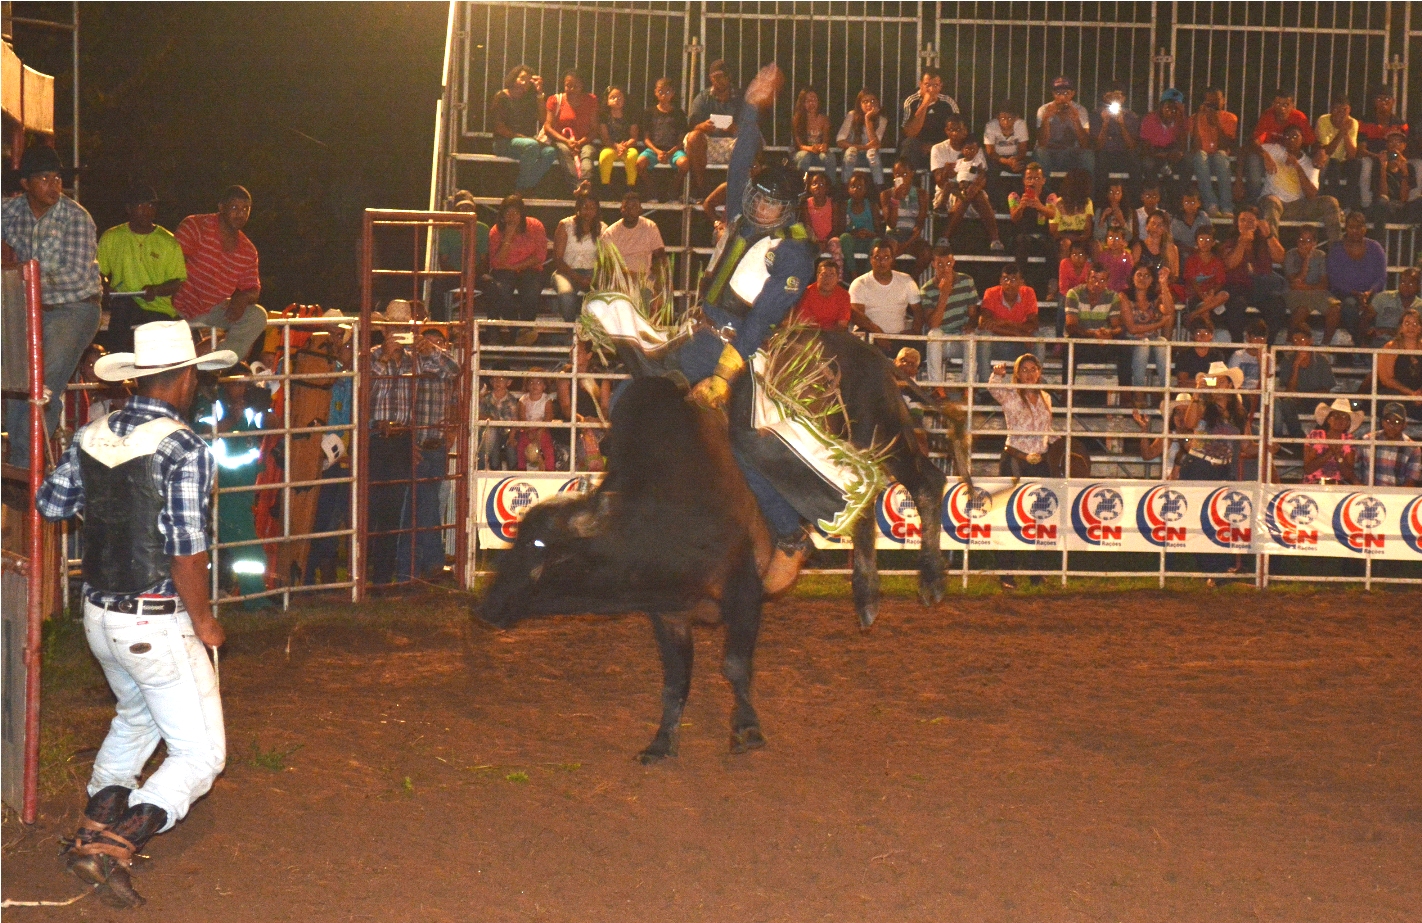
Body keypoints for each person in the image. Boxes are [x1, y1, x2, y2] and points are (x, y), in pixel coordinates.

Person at [37, 319, 235, 908]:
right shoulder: (183, 446)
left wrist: (108, 502)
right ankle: (113, 844)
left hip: (99, 611)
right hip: (153, 618)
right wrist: (204, 620)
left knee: (137, 716)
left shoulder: (92, 433)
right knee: (200, 754)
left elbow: (52, 503)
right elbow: (186, 548)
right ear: (185, 376)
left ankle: (93, 826)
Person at [2, 145, 103, 465]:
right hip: (33, 309)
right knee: (19, 381)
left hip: (75, 308)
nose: (54, 185)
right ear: (26, 184)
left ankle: (25, 464)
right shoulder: (11, 211)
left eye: (57, 178)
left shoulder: (76, 217)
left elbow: (75, 276)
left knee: (43, 381)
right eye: (45, 178)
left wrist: (20, 280)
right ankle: (24, 462)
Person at [987, 354, 1059, 589]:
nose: (1029, 374)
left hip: (1040, 459)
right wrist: (997, 374)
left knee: (1041, 515)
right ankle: (1006, 571)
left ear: (1039, 372)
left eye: (1033, 369)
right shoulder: (1010, 394)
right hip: (1015, 458)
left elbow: (1046, 428)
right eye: (1024, 370)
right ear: (1017, 374)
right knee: (1008, 514)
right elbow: (993, 388)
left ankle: (1036, 570)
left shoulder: (1046, 397)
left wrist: (1062, 442)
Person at [171, 185, 268, 361]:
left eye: (245, 209)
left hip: (213, 308)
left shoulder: (248, 250)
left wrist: (242, 297)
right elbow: (171, 266)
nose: (240, 214)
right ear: (221, 207)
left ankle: (218, 362)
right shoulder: (196, 226)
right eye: (234, 207)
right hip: (177, 305)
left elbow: (253, 289)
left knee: (257, 316)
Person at [396, 327, 462, 582]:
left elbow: (455, 372)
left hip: (435, 445)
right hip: (416, 444)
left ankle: (411, 567)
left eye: (439, 342)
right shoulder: (412, 363)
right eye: (429, 341)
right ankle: (429, 562)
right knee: (423, 503)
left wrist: (451, 431)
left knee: (423, 503)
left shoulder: (444, 366)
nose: (434, 346)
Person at [96, 184, 187, 354]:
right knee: (122, 307)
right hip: (122, 305)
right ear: (129, 209)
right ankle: (117, 359)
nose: (147, 210)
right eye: (141, 205)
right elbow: (98, 271)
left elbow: (177, 282)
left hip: (157, 308)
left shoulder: (168, 241)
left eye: (151, 205)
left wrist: (156, 290)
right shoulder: (112, 236)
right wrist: (105, 286)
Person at [1179, 365, 1247, 585]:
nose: (1217, 384)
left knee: (1219, 519)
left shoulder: (1238, 413)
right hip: (1200, 464)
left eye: (1221, 380)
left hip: (1220, 468)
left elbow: (1246, 445)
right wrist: (1197, 394)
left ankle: (1218, 569)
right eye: (1213, 380)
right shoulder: (1204, 406)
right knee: (1201, 518)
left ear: (1230, 384)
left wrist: (1266, 446)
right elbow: (1189, 423)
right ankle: (1214, 570)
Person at [1257, 126, 1343, 242]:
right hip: (1275, 202)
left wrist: (1297, 167)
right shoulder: (1274, 150)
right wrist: (1265, 155)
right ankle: (1272, 248)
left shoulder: (1309, 163)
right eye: (1287, 137)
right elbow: (1251, 144)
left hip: (1298, 206)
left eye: (1295, 136)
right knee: (1272, 201)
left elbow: (1311, 195)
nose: (1291, 140)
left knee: (1331, 202)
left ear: (1302, 139)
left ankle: (1337, 248)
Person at [487, 194, 548, 344]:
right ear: (502, 216)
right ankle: (517, 330)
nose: (512, 216)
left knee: (531, 290)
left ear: (522, 214)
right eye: (508, 213)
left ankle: (526, 328)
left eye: (515, 212)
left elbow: (540, 256)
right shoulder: (496, 231)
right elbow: (496, 262)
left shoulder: (535, 226)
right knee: (500, 290)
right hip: (504, 270)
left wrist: (516, 267)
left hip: (530, 268)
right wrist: (508, 236)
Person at [1062, 262, 1128, 400]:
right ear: (1087, 278)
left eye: (1102, 280)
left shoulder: (1112, 297)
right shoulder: (1074, 294)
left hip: (1101, 343)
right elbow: (1071, 326)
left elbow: (1117, 326)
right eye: (1094, 279)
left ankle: (1126, 396)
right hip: (1081, 343)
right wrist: (1093, 334)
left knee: (1124, 345)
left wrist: (1109, 333)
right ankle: (1065, 395)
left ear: (1107, 282)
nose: (1097, 284)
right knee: (1069, 346)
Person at [1221, 207, 1286, 342]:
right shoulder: (1230, 242)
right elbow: (1230, 264)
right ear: (1237, 223)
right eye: (1242, 220)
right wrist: (1241, 243)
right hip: (1238, 287)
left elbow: (1281, 258)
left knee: (1277, 303)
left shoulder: (1264, 241)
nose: (1246, 224)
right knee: (1236, 304)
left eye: (1251, 221)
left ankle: (1268, 345)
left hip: (1262, 288)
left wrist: (1269, 235)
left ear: (1258, 223)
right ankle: (1237, 344)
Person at [490, 64, 558, 193]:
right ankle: (523, 190)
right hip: (504, 142)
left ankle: (523, 186)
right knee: (532, 145)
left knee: (550, 152)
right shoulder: (501, 96)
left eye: (528, 81)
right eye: (521, 78)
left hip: (527, 143)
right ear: (513, 78)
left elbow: (543, 119)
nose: (524, 83)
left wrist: (539, 93)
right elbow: (499, 127)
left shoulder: (529, 99)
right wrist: (519, 137)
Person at [1325, 210, 1387, 349]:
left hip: (1370, 293)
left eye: (1359, 227)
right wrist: (1354, 293)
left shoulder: (1375, 248)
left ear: (1365, 228)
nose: (1355, 231)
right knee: (1348, 307)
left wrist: (1369, 292)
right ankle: (1361, 344)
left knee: (1376, 306)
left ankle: (1370, 344)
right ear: (1345, 228)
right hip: (1344, 293)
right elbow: (1334, 279)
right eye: (1351, 227)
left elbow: (1381, 277)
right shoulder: (1336, 249)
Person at [848, 239, 922, 355]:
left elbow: (918, 311)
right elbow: (856, 315)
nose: (881, 262)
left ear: (892, 259)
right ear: (871, 259)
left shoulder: (906, 280)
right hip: (870, 337)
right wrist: (877, 333)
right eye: (877, 258)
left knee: (918, 349)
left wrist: (915, 331)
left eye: (886, 258)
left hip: (897, 338)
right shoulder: (859, 283)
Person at [920, 244, 979, 384]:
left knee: (971, 336)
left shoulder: (967, 281)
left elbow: (973, 315)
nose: (945, 268)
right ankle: (937, 386)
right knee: (934, 334)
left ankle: (967, 386)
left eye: (948, 263)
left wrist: (970, 325)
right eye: (940, 264)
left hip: (960, 337)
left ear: (953, 262)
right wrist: (944, 294)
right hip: (941, 339)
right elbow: (933, 324)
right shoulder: (927, 289)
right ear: (933, 264)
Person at [1246, 89, 1314, 205]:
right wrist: (1265, 156)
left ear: (1292, 105)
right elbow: (1254, 142)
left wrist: (1320, 153)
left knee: (1320, 161)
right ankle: (1253, 203)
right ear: (1273, 104)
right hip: (1272, 154)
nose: (1282, 108)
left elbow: (1311, 141)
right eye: (1278, 104)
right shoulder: (1268, 115)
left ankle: (1313, 199)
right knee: (1253, 159)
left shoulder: (1299, 118)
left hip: (1293, 155)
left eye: (1286, 105)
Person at [936, 133, 1003, 250]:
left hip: (974, 191)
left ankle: (995, 240)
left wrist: (974, 186)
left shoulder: (979, 162)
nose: (970, 151)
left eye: (973, 149)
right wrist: (947, 170)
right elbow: (948, 180)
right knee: (963, 194)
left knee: (977, 194)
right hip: (959, 192)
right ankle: (945, 236)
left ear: (977, 150)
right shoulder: (959, 162)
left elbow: (982, 176)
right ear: (962, 149)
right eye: (967, 149)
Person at [975, 262, 1040, 383]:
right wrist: (1017, 333)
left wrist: (1006, 323)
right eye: (1005, 279)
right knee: (984, 336)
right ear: (1000, 281)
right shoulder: (991, 293)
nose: (1009, 283)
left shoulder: (1028, 293)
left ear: (1021, 282)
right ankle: (984, 386)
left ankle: (1036, 383)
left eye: (1014, 279)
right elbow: (984, 323)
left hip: (1021, 345)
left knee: (1038, 338)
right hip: (997, 344)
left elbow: (1033, 325)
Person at [685, 59, 740, 195]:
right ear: (710, 78)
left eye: (722, 76)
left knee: (752, 138)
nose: (719, 80)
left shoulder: (740, 97)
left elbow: (751, 125)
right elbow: (692, 125)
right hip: (709, 144)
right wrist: (703, 126)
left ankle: (741, 191)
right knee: (693, 137)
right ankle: (701, 189)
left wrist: (736, 128)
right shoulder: (703, 97)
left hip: (733, 143)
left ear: (729, 77)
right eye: (715, 77)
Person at [1273, 325, 1336, 441]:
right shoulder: (1287, 360)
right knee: (1286, 402)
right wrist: (1296, 366)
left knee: (1330, 404)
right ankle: (1298, 437)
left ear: (1310, 341)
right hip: (1297, 401)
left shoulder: (1321, 360)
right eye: (1295, 340)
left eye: (1302, 339)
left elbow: (1326, 389)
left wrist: (1306, 395)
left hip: (1316, 400)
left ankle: (1318, 437)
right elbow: (1289, 391)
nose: (1298, 344)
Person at [552, 191, 608, 322]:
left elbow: (603, 260)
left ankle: (592, 330)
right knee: (566, 295)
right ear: (578, 208)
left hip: (592, 273)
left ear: (597, 210)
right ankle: (571, 329)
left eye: (592, 208)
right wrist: (578, 277)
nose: (588, 212)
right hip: (566, 272)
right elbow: (558, 260)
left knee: (601, 296)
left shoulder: (602, 228)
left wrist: (594, 278)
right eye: (585, 207)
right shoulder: (565, 225)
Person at [434, 191, 490, 322]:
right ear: (455, 210)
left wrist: (471, 275)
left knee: (492, 285)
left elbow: (484, 260)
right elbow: (443, 262)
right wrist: (461, 276)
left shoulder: (482, 229)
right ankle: (439, 326)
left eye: (469, 207)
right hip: (454, 274)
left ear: (474, 210)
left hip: (476, 274)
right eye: (461, 207)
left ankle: (492, 328)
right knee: (436, 285)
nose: (465, 211)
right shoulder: (446, 230)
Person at [1357, 87, 1414, 209]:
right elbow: (1361, 150)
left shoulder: (1401, 124)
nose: (1383, 102)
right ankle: (1366, 204)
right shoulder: (1365, 122)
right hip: (1373, 157)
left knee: (1417, 165)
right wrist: (1378, 157)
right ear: (1374, 101)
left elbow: (1406, 147)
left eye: (1387, 99)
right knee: (1366, 164)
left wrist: (1401, 159)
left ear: (1393, 101)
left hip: (1395, 158)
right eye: (1379, 99)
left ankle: (1412, 202)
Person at [1008, 162, 1058, 297]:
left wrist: (1039, 206)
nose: (1032, 181)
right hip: (1022, 234)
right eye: (1029, 178)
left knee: (1052, 245)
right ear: (1024, 180)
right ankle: (1020, 280)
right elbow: (1014, 218)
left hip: (1043, 235)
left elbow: (1052, 214)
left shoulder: (1050, 196)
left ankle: (1052, 283)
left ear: (1043, 180)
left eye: (1036, 178)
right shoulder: (1015, 195)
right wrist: (1021, 206)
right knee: (1021, 242)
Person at [637, 77, 690, 199]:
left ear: (673, 93)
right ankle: (652, 190)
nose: (664, 95)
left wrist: (670, 153)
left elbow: (681, 140)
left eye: (667, 91)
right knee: (640, 163)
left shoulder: (679, 114)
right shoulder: (649, 112)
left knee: (684, 163)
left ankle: (674, 189)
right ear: (655, 92)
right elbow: (646, 139)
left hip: (673, 150)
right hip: (654, 150)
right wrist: (658, 152)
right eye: (660, 91)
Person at [1188, 87, 1238, 218]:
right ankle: (1211, 204)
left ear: (1223, 101)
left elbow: (1225, 146)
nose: (1213, 105)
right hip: (1202, 161)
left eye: (1216, 101)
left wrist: (1217, 123)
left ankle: (1226, 206)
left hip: (1220, 161)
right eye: (1209, 102)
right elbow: (1195, 147)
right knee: (1200, 155)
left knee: (1220, 155)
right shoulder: (1194, 118)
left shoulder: (1230, 118)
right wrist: (1199, 118)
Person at [1035, 76, 1093, 186]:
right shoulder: (1044, 109)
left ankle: (1087, 195)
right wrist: (1046, 119)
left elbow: (1085, 144)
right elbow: (1042, 143)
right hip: (1050, 154)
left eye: (1066, 93)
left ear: (1072, 93)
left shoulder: (1080, 110)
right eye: (1058, 93)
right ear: (1053, 94)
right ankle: (1044, 193)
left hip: (1071, 154)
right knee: (1041, 152)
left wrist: (1076, 120)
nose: (1062, 97)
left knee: (1087, 155)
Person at [900, 67, 960, 171]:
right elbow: (910, 133)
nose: (931, 90)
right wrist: (925, 103)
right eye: (927, 85)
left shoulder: (948, 102)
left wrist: (935, 147)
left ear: (941, 86)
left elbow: (958, 131)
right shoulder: (911, 101)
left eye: (935, 85)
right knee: (909, 144)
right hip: (917, 147)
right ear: (920, 84)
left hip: (940, 146)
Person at [544, 71, 599, 183]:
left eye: (576, 86)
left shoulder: (591, 100)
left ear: (582, 86)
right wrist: (567, 141)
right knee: (564, 152)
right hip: (562, 141)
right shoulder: (555, 100)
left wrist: (581, 142)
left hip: (584, 141)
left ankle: (585, 182)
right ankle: (577, 186)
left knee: (587, 153)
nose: (572, 89)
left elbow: (595, 128)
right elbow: (547, 126)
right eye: (568, 86)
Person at [1090, 82, 1141, 202]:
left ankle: (1135, 203)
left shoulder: (1131, 116)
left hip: (1124, 155)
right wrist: (1105, 123)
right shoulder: (1096, 114)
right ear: (1105, 98)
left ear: (1123, 99)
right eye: (1111, 97)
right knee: (1099, 161)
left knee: (1135, 161)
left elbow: (1132, 146)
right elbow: (1098, 146)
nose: (1114, 100)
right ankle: (1099, 204)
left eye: (1118, 97)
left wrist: (1122, 125)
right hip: (1105, 154)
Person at [1366, 128, 1422, 235]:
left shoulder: (1409, 167)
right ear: (1386, 145)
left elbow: (1403, 198)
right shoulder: (1377, 165)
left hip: (1401, 208)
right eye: (1391, 142)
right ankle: (1380, 239)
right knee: (1383, 201)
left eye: (1399, 142)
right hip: (1383, 207)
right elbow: (1383, 194)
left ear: (1404, 146)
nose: (1395, 146)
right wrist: (1383, 169)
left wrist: (1404, 172)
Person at [1281, 226, 1337, 332]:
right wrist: (1306, 261)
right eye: (1301, 240)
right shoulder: (1290, 255)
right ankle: (1289, 338)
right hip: (1295, 293)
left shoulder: (1321, 256)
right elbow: (1294, 284)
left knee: (1335, 309)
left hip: (1317, 292)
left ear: (1315, 243)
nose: (1304, 244)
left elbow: (1324, 284)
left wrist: (1306, 287)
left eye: (1308, 241)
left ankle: (1325, 342)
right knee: (1302, 310)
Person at [880, 157, 930, 274]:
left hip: (912, 236)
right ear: (893, 175)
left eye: (905, 174)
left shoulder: (921, 194)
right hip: (893, 235)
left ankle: (911, 280)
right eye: (898, 174)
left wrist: (906, 245)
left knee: (926, 253)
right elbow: (891, 224)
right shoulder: (886, 194)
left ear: (912, 174)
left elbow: (920, 225)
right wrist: (895, 200)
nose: (901, 178)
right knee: (887, 255)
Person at [1138, 88, 1189, 200]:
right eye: (1168, 107)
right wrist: (1165, 155)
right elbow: (1145, 149)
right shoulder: (1150, 119)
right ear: (1161, 107)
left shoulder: (1180, 120)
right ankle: (1156, 198)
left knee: (1187, 163)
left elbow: (1183, 146)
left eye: (1175, 108)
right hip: (1154, 153)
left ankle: (1180, 199)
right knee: (1148, 164)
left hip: (1171, 152)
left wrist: (1180, 118)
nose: (1171, 111)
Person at [603, 191, 667, 278]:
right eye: (626, 207)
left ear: (640, 210)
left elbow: (661, 256)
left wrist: (657, 276)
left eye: (634, 207)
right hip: (619, 280)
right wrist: (628, 275)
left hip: (645, 280)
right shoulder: (610, 233)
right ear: (621, 209)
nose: (630, 211)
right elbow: (607, 264)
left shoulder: (650, 227)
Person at [1181, 226, 1230, 338]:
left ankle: (1194, 314)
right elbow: (1192, 280)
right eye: (1201, 239)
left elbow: (1220, 282)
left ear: (1213, 243)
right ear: (1196, 242)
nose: (1205, 243)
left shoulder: (1217, 261)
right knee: (1205, 312)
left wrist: (1212, 292)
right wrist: (1203, 297)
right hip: (1195, 296)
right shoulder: (1192, 260)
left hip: (1211, 296)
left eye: (1208, 240)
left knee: (1225, 294)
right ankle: (1206, 338)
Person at [1357, 402, 1420, 487]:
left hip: (1397, 494)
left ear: (1404, 425)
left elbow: (1410, 482)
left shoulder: (1413, 448)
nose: (1391, 425)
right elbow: (1354, 468)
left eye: (1397, 421)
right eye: (1388, 421)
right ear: (1382, 422)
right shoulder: (1368, 440)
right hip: (1369, 492)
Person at [1316, 94, 1362, 210]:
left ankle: (1347, 206)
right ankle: (1333, 205)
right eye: (1337, 109)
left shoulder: (1353, 122)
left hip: (1344, 161)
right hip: (1328, 161)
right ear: (1331, 109)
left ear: (1349, 110)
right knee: (1334, 164)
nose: (1341, 113)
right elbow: (1327, 151)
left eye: (1344, 110)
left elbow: (1352, 155)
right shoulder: (1323, 120)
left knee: (1357, 164)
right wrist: (1341, 132)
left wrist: (1346, 133)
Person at [1132, 391, 1192, 479]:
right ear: (1173, 416)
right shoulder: (1168, 436)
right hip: (1170, 481)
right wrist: (1144, 429)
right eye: (1177, 412)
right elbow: (1147, 455)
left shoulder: (1199, 435)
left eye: (1185, 412)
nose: (1181, 416)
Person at [1302, 397, 1361, 484]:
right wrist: (1330, 453)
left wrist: (1337, 455)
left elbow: (1348, 474)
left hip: (1337, 486)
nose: (1340, 420)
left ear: (1348, 423)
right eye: (1336, 416)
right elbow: (1308, 469)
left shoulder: (1349, 439)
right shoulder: (1315, 435)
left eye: (1344, 417)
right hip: (1313, 484)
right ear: (1329, 420)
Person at [838, 89, 887, 188]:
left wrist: (867, 119)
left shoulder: (882, 120)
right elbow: (840, 141)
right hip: (853, 157)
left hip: (869, 159)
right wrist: (863, 147)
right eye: (865, 101)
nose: (869, 104)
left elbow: (875, 144)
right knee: (851, 151)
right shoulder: (852, 115)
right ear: (859, 104)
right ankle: (845, 187)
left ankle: (879, 187)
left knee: (872, 154)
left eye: (872, 101)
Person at [983, 102, 1031, 206]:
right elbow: (990, 152)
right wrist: (1006, 161)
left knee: (1029, 170)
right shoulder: (990, 126)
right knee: (989, 170)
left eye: (1009, 118)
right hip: (996, 158)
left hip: (1015, 157)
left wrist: (1014, 160)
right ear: (997, 118)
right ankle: (992, 203)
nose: (1005, 122)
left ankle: (1027, 201)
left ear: (1016, 118)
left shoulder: (1021, 124)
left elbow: (1023, 150)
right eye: (1002, 118)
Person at [837, 172, 881, 279]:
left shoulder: (872, 206)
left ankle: (867, 276)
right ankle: (854, 274)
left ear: (865, 190)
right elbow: (840, 231)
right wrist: (855, 234)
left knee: (877, 242)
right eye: (853, 186)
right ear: (848, 189)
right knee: (844, 237)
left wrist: (869, 234)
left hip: (868, 243)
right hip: (852, 242)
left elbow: (879, 232)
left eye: (860, 187)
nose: (856, 190)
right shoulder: (845, 206)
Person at [597, 86, 641, 188]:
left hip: (627, 147)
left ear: (625, 100)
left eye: (620, 97)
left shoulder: (631, 116)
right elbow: (605, 138)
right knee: (605, 155)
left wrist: (624, 146)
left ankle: (631, 187)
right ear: (607, 101)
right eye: (613, 97)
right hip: (610, 146)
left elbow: (634, 138)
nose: (616, 100)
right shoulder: (604, 117)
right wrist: (616, 146)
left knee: (633, 155)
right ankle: (605, 186)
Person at [790, 87, 837, 182]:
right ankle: (800, 185)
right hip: (801, 152)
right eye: (808, 101)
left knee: (830, 158)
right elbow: (799, 145)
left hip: (818, 153)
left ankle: (830, 186)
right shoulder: (797, 119)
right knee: (805, 157)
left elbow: (826, 140)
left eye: (814, 100)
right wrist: (811, 148)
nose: (811, 103)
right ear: (803, 103)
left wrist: (824, 146)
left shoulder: (824, 119)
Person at [1375, 308, 1422, 404]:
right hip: (1396, 393)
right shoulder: (1390, 347)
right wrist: (1411, 393)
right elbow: (1386, 379)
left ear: (1420, 328)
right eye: (1407, 323)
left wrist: (1419, 394)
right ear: (1401, 327)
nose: (1411, 327)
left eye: (1415, 324)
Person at [1047, 167, 1094, 260]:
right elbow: (1053, 231)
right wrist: (1069, 237)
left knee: (1095, 245)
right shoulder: (1057, 203)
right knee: (1066, 244)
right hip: (1063, 235)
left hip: (1080, 236)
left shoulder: (1088, 202)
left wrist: (1080, 238)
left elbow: (1088, 230)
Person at [800, 172, 843, 271]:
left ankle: (838, 275)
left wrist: (826, 241)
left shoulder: (832, 203)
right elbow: (808, 226)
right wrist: (816, 241)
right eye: (814, 184)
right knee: (804, 245)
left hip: (829, 239)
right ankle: (808, 275)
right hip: (813, 239)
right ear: (809, 188)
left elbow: (835, 226)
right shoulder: (806, 204)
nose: (818, 187)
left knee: (836, 243)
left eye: (822, 184)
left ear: (827, 188)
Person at [795, 256, 853, 330]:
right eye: (824, 274)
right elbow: (805, 324)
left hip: (835, 334)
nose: (827, 278)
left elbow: (842, 325)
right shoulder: (806, 293)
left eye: (832, 275)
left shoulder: (844, 295)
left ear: (837, 278)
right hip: (811, 334)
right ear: (817, 276)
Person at [477, 373, 520, 470]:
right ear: (491, 382)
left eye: (501, 380)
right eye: (495, 379)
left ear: (508, 382)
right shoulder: (486, 398)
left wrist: (511, 437)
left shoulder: (511, 399)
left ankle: (513, 470)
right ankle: (491, 467)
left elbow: (515, 419)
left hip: (508, 432)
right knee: (493, 445)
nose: (497, 382)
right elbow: (479, 415)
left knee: (511, 449)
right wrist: (489, 418)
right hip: (493, 431)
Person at [1369, 267, 1420, 346]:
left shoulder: (1420, 306)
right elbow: (1365, 320)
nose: (1406, 286)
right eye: (1403, 282)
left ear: (1418, 286)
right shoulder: (1383, 298)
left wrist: (1389, 331)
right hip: (1381, 344)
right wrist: (1366, 338)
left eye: (1410, 284)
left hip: (1411, 346)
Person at [1173, 317, 1225, 387]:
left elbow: (1219, 380)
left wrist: (1204, 383)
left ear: (1211, 335)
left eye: (1206, 333)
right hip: (1190, 391)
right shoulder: (1184, 355)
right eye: (1198, 333)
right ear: (1192, 335)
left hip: (1211, 392)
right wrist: (1201, 383)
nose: (1202, 336)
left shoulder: (1217, 355)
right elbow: (1183, 382)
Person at [1170, 187, 1211, 258]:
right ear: (1182, 204)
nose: (1190, 206)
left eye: (1193, 202)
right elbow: (1173, 241)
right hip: (1182, 255)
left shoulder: (1203, 217)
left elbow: (1210, 234)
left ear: (1199, 203)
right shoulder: (1176, 221)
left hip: (1201, 252)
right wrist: (1189, 249)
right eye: (1187, 203)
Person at [1093, 180, 1131, 255]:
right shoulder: (1100, 211)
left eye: (1118, 193)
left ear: (1122, 194)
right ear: (1106, 193)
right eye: (1111, 192)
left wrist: (1121, 220)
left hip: (1121, 245)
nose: (1114, 196)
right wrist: (1103, 218)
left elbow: (1129, 237)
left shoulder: (1127, 211)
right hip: (1105, 245)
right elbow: (1097, 236)